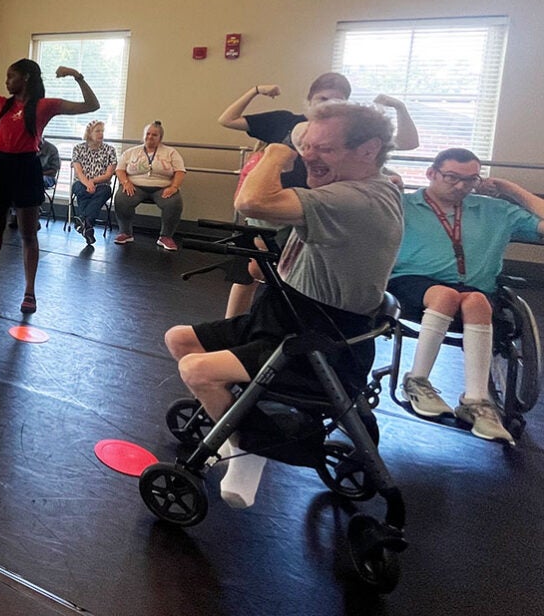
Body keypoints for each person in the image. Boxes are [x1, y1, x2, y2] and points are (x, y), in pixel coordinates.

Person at [164, 102, 401, 509]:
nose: (308, 155)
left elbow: (250, 202)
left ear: (368, 149)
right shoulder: (347, 189)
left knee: (195, 369)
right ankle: (243, 418)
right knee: (181, 339)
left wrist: (276, 150)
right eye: (307, 145)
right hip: (285, 315)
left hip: (317, 341)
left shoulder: (355, 199)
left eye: (324, 148)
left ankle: (247, 445)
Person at [217, 74, 419, 317]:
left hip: (313, 210)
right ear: (310, 100)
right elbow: (227, 120)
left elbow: (379, 152)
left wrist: (398, 109)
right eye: (322, 99)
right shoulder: (286, 122)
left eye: (337, 101)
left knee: (290, 277)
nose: (327, 105)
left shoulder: (345, 134)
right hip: (274, 211)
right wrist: (256, 90)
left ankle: (278, 325)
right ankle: (238, 327)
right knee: (251, 271)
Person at [388, 148, 544, 444]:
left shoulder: (494, 209)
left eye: (470, 180)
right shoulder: (403, 204)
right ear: (431, 174)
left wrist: (510, 189)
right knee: (446, 296)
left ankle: (476, 401)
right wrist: (388, 179)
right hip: (411, 282)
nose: (461, 186)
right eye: (452, 177)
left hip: (474, 290)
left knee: (476, 302)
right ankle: (417, 380)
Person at [0, 56, 99, 314]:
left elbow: (91, 105)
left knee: (28, 234)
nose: (7, 81)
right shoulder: (1, 104)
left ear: (26, 78)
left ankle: (29, 292)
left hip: (26, 167)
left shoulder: (44, 106)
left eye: (11, 76)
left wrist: (77, 75)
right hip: (0, 166)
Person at [112, 121, 186, 251]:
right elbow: (120, 169)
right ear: (143, 135)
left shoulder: (171, 152)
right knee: (121, 199)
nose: (150, 137)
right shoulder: (131, 152)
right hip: (135, 186)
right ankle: (125, 233)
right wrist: (126, 182)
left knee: (174, 202)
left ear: (160, 138)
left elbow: (180, 171)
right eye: (148, 134)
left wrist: (174, 187)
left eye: (154, 135)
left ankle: (166, 236)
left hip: (162, 187)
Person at [69, 120, 117, 246]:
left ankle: (83, 220)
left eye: (102, 131)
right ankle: (88, 225)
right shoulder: (78, 148)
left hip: (101, 184)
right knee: (81, 190)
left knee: (105, 191)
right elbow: (78, 172)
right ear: (89, 133)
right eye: (97, 131)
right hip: (81, 183)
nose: (101, 134)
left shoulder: (110, 150)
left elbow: (108, 175)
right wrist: (88, 184)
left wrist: (93, 181)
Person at [8, 137, 59, 229]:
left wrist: (36, 173)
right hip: (27, 177)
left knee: (33, 182)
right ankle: (18, 212)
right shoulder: (25, 147)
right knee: (16, 181)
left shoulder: (51, 149)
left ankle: (32, 215)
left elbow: (54, 170)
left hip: (47, 176)